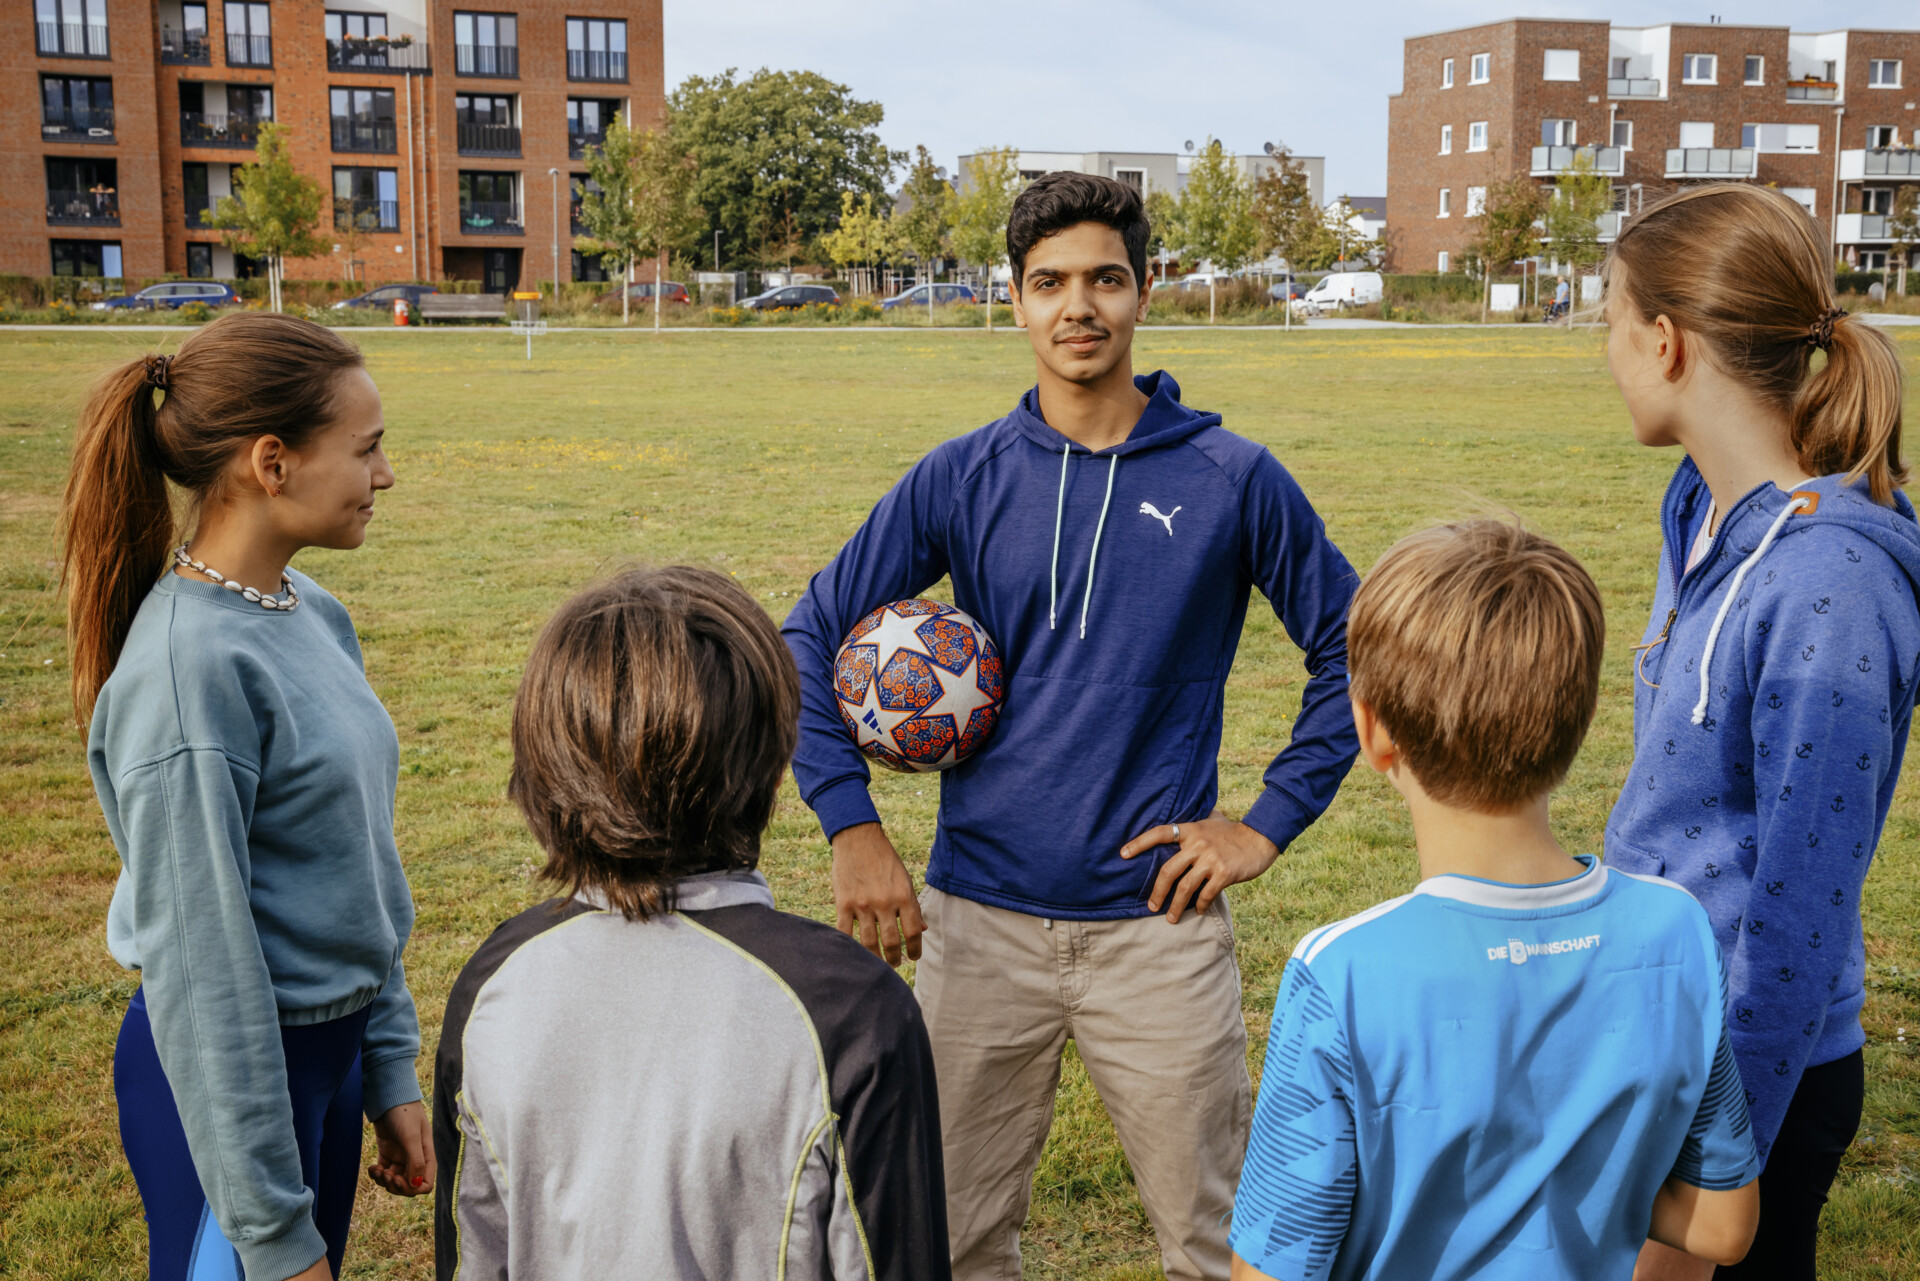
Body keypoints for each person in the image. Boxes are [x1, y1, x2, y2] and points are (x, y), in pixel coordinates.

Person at [782, 171, 1361, 1279]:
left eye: (1105, 278)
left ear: (1146, 292)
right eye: (1049, 283)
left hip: (1160, 930)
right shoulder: (962, 476)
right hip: (978, 919)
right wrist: (851, 826)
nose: (1077, 307)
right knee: (944, 1240)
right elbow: (805, 633)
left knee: (1223, 1244)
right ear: (1014, 300)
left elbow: (1357, 651)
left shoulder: (1232, 479)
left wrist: (1268, 821)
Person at [1230, 519, 1762, 1281]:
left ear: (1372, 732)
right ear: (1578, 724)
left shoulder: (1340, 974)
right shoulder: (1677, 928)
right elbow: (1723, 1222)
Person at [434, 566, 948, 1280]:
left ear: (543, 764)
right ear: (774, 761)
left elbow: (473, 1254)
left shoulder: (493, 982)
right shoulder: (854, 1009)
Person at [65, 312, 431, 1281]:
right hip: (227, 1088)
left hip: (328, 1060)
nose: (385, 476)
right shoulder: (190, 675)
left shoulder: (314, 613)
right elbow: (205, 976)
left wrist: (387, 1064)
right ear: (272, 463)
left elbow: (359, 865)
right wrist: (270, 1233)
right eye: (367, 450)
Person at [1598, 184, 1919, 1281]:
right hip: (1661, 1037)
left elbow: (1799, 914)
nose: (1605, 354)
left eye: (1607, 323)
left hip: (1750, 1075)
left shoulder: (1830, 589)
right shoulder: (1699, 512)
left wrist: (1715, 1174)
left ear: (1665, 340)